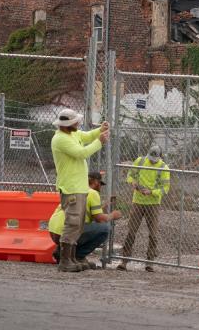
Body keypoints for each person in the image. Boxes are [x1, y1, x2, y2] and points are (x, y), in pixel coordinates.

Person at [50, 108, 108, 273]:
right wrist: (100, 142)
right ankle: (65, 260)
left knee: (78, 225)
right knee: (73, 223)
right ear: (68, 125)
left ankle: (72, 258)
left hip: (78, 187)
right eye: (76, 122)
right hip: (71, 187)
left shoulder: (72, 134)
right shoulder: (60, 139)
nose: (78, 123)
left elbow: (87, 136)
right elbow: (82, 153)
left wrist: (99, 130)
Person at [49, 171, 122, 269]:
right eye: (100, 184)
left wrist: (106, 204)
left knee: (82, 226)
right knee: (105, 228)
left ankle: (62, 253)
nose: (100, 187)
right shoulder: (93, 193)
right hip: (68, 232)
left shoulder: (77, 189)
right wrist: (113, 215)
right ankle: (78, 256)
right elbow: (99, 218)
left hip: (54, 231)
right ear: (96, 182)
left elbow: (90, 209)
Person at [117, 144, 170, 272]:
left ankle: (149, 262)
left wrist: (151, 192)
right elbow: (130, 175)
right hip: (138, 201)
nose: (152, 161)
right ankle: (124, 261)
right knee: (131, 231)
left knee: (153, 234)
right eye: (151, 158)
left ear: (160, 157)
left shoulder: (163, 167)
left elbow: (165, 189)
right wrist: (133, 182)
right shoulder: (140, 161)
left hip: (153, 204)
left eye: (154, 159)